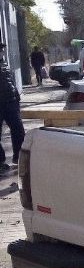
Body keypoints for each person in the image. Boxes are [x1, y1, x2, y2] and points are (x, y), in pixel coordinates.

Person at [0, 43, 25, 173]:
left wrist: (16, 96)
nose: (2, 51)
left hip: (10, 101)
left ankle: (19, 157)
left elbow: (9, 81)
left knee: (18, 130)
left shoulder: (3, 62)